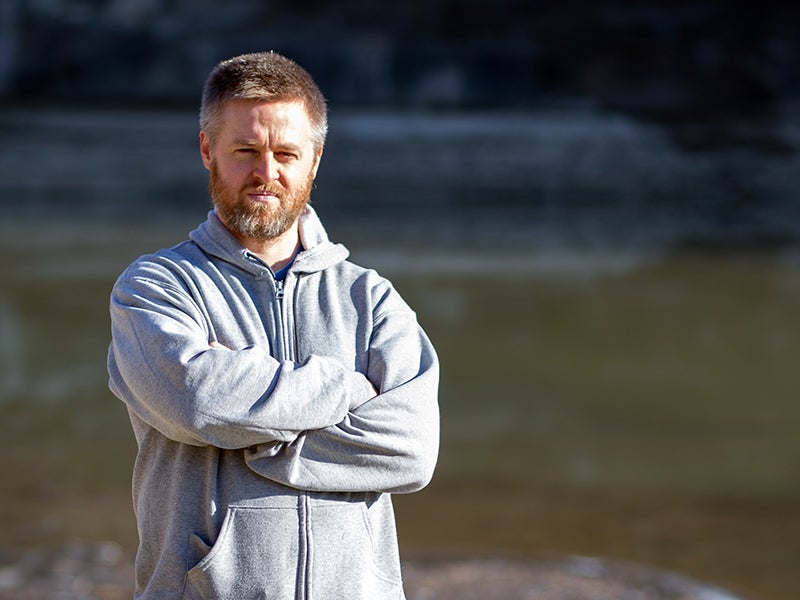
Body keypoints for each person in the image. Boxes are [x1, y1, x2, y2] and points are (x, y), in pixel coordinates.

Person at [107, 51, 440, 599]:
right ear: (208, 150)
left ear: (315, 160)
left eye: (286, 152)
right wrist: (344, 387)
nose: (267, 173)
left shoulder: (371, 298)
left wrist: (255, 440)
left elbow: (412, 449)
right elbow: (198, 401)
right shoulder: (155, 287)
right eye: (246, 151)